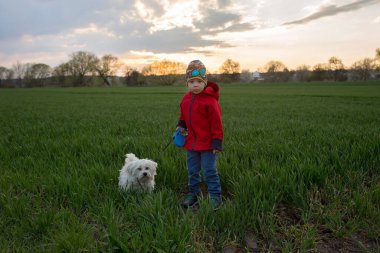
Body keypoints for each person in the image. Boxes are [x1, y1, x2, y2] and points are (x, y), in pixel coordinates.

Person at [177, 60, 223, 210]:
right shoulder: (186, 99)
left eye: (199, 81)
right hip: (191, 143)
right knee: (192, 170)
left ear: (205, 82)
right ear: (187, 83)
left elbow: (216, 123)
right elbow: (183, 116)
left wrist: (217, 141)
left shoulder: (210, 101)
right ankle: (194, 193)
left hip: (208, 144)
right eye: (191, 82)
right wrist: (181, 126)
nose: (195, 85)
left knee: (209, 170)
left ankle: (215, 196)